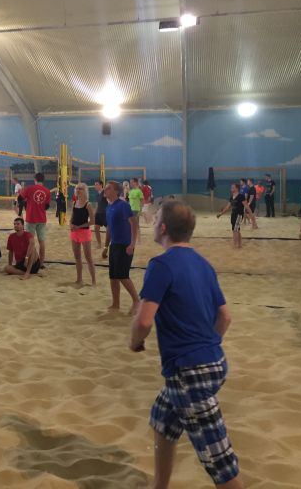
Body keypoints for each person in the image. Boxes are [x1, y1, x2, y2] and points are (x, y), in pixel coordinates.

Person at [130, 200, 243, 489]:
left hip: (190, 373)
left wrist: (135, 342)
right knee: (163, 420)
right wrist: (206, 347)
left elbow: (143, 322)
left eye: (156, 219)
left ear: (163, 228)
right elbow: (225, 317)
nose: (153, 222)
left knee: (219, 462)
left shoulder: (161, 265)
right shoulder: (203, 264)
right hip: (214, 361)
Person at [104, 180, 139, 313]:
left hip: (125, 245)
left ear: (116, 191)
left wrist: (132, 243)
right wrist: (106, 247)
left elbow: (134, 224)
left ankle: (136, 301)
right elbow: (109, 228)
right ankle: (116, 303)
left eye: (108, 188)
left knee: (123, 275)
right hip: (114, 245)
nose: (105, 190)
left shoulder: (123, 205)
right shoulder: (109, 207)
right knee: (113, 276)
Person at [20, 173, 52, 268]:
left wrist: (26, 204)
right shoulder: (47, 191)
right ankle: (41, 263)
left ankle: (31, 261)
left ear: (35, 180)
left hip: (31, 218)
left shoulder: (29, 188)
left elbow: (20, 198)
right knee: (42, 242)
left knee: (30, 241)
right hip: (42, 219)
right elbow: (47, 206)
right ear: (43, 180)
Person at [70, 182, 96, 286]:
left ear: (85, 191)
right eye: (77, 188)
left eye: (80, 189)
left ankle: (93, 281)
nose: (78, 190)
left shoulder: (88, 204)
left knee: (88, 258)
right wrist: (71, 225)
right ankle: (79, 279)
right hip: (74, 232)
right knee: (77, 257)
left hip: (84, 232)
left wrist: (79, 226)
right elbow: (72, 217)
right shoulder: (74, 203)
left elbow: (92, 221)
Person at [216, 183, 245, 249]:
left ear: (237, 188)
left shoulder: (241, 196)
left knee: (235, 230)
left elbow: (246, 206)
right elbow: (227, 207)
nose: (231, 188)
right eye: (231, 187)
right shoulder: (232, 197)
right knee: (236, 230)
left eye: (232, 187)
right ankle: (239, 244)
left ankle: (235, 245)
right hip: (233, 215)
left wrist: (251, 216)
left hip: (239, 215)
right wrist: (221, 214)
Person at [93, 180, 109, 253]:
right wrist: (95, 213)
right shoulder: (97, 195)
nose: (95, 186)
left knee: (109, 230)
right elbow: (97, 205)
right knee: (96, 228)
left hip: (105, 214)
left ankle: (107, 244)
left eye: (96, 184)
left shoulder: (105, 193)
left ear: (101, 185)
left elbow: (110, 201)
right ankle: (99, 243)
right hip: (98, 213)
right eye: (95, 185)